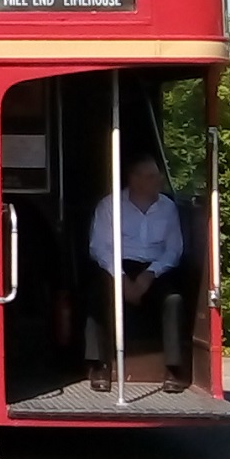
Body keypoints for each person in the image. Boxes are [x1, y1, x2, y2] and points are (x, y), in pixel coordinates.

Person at [85, 153, 188, 393]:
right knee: (96, 294)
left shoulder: (168, 207)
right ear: (132, 178)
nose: (153, 182)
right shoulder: (110, 205)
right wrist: (121, 277)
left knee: (173, 299)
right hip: (115, 264)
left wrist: (149, 275)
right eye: (147, 177)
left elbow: (174, 250)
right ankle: (99, 365)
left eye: (155, 177)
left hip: (155, 268)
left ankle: (173, 368)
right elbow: (99, 247)